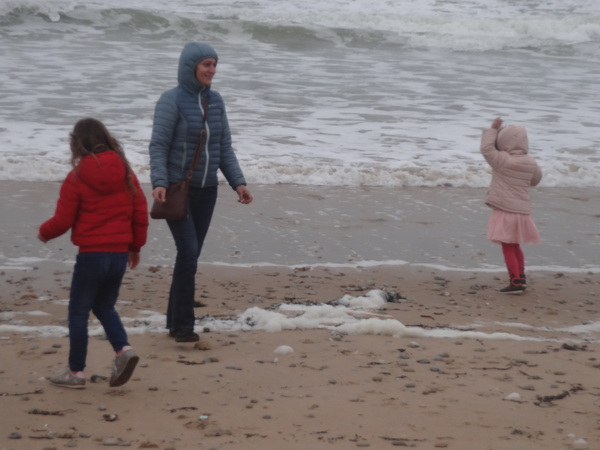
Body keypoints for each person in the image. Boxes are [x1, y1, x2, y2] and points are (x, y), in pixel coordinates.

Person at [149, 42, 253, 343]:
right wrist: (158, 181)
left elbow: (223, 149)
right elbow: (158, 145)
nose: (212, 70)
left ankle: (174, 320)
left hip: (207, 192)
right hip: (177, 190)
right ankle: (182, 326)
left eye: (214, 64)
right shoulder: (171, 100)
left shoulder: (216, 102)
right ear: (190, 66)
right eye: (206, 64)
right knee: (189, 253)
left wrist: (239, 182)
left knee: (189, 255)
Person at [39, 118, 148, 389]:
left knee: (78, 311)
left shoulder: (77, 176)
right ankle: (123, 350)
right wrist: (135, 247)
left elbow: (63, 220)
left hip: (91, 255)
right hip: (119, 255)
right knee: (104, 305)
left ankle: (76, 373)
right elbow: (139, 212)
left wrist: (43, 232)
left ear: (78, 143)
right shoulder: (125, 172)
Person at [480, 117, 542, 294]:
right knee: (515, 245)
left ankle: (515, 281)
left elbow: (486, 149)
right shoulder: (530, 162)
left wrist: (492, 129)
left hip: (505, 210)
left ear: (503, 141)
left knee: (508, 246)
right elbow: (535, 180)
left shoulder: (502, 160)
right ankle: (520, 277)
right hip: (522, 211)